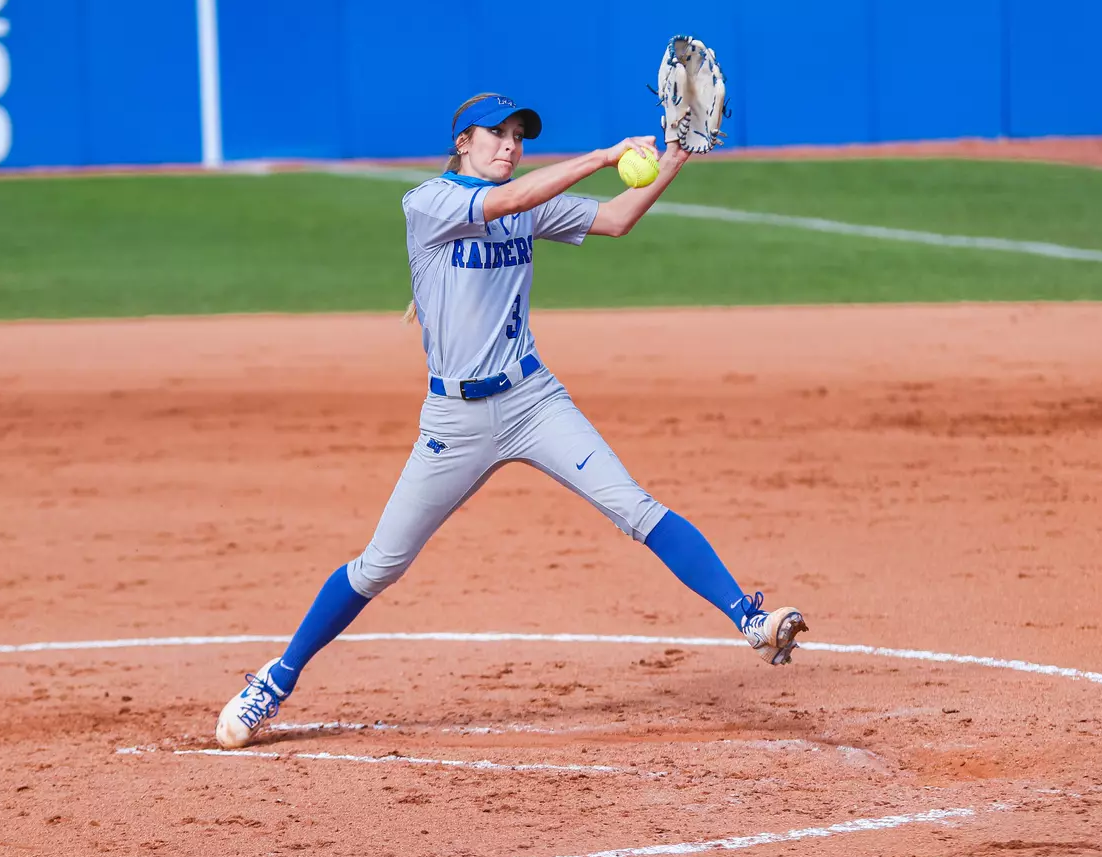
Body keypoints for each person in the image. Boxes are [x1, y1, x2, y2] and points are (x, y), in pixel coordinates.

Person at [217, 93, 806, 748]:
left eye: (519, 137)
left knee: (634, 508)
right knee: (381, 565)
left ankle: (749, 621)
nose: (510, 145)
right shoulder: (428, 202)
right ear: (462, 142)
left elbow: (614, 219)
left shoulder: (527, 201)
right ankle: (277, 678)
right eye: (496, 134)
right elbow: (503, 206)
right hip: (454, 420)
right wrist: (604, 155)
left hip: (533, 401)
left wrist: (672, 159)